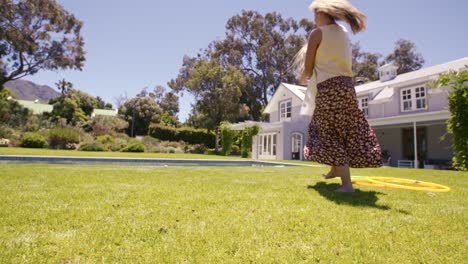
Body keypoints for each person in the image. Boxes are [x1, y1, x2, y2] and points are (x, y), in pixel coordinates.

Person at [298, 0, 383, 192]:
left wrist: (303, 76)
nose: (315, 19)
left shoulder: (317, 34)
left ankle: (346, 185)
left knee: (328, 132)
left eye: (315, 15)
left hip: (329, 88)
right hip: (346, 87)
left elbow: (308, 67)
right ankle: (335, 169)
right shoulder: (343, 33)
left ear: (322, 14)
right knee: (342, 128)